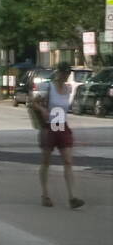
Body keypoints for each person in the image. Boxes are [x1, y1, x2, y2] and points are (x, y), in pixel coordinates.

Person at [33, 61, 84, 208]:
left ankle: (72, 197)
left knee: (68, 161)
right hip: (49, 127)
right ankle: (45, 194)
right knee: (46, 161)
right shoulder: (48, 86)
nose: (66, 75)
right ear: (58, 72)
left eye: (68, 73)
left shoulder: (68, 89)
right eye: (64, 72)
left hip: (62, 125)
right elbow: (34, 102)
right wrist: (43, 110)